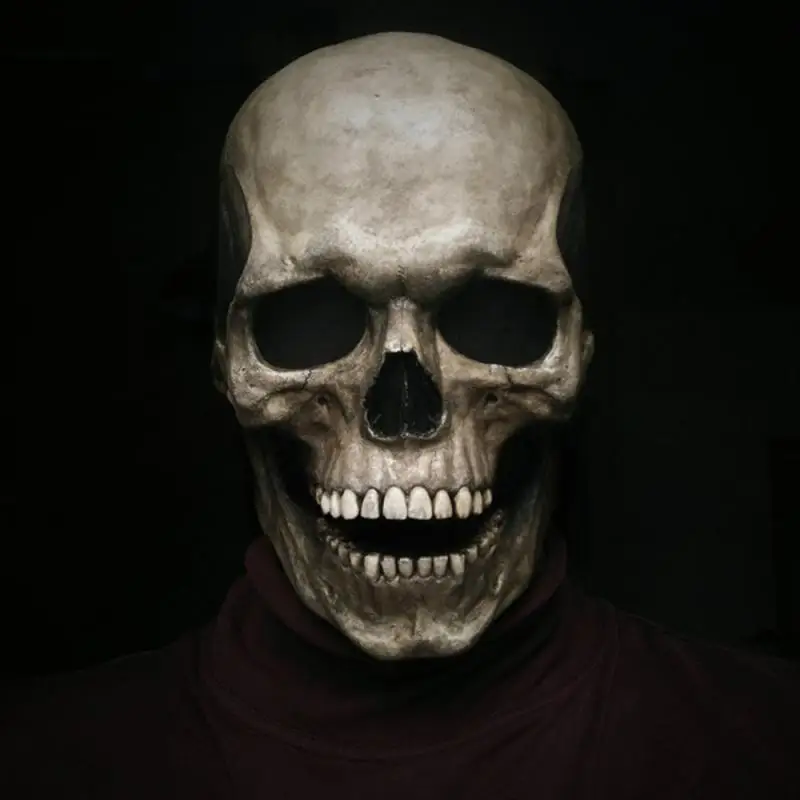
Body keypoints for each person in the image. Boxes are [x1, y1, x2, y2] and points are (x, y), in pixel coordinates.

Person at [3, 32, 799, 800]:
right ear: (226, 365)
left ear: (579, 357)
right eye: (308, 319)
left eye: (496, 318)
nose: (404, 417)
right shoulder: (39, 764)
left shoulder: (767, 745)